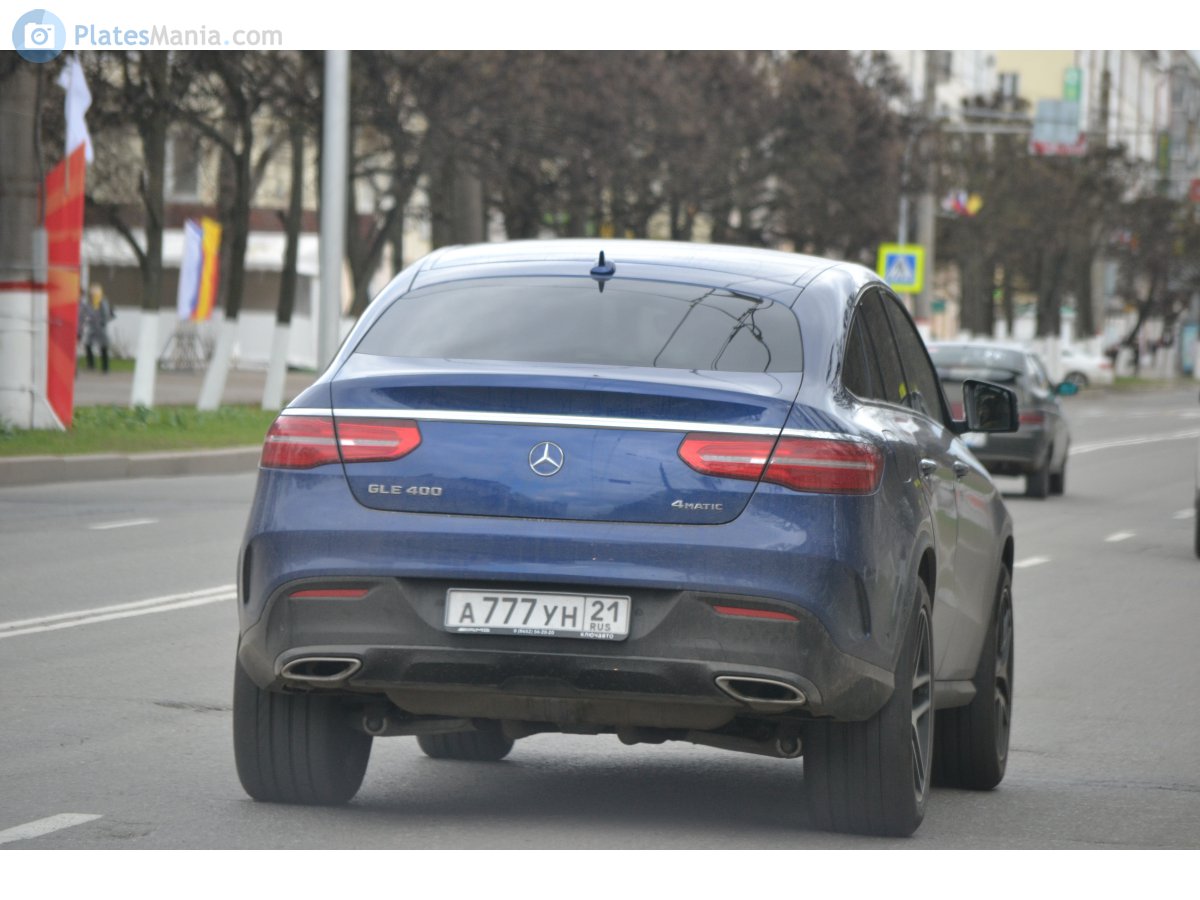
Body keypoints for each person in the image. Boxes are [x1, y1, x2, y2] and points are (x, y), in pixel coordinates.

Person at [79, 284, 115, 373]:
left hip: (101, 327)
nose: (91, 295)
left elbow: (106, 314)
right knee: (88, 344)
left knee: (103, 346)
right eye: (90, 294)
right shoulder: (90, 303)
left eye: (92, 294)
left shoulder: (103, 302)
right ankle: (91, 364)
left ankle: (105, 367)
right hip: (92, 327)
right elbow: (87, 313)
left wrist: (103, 322)